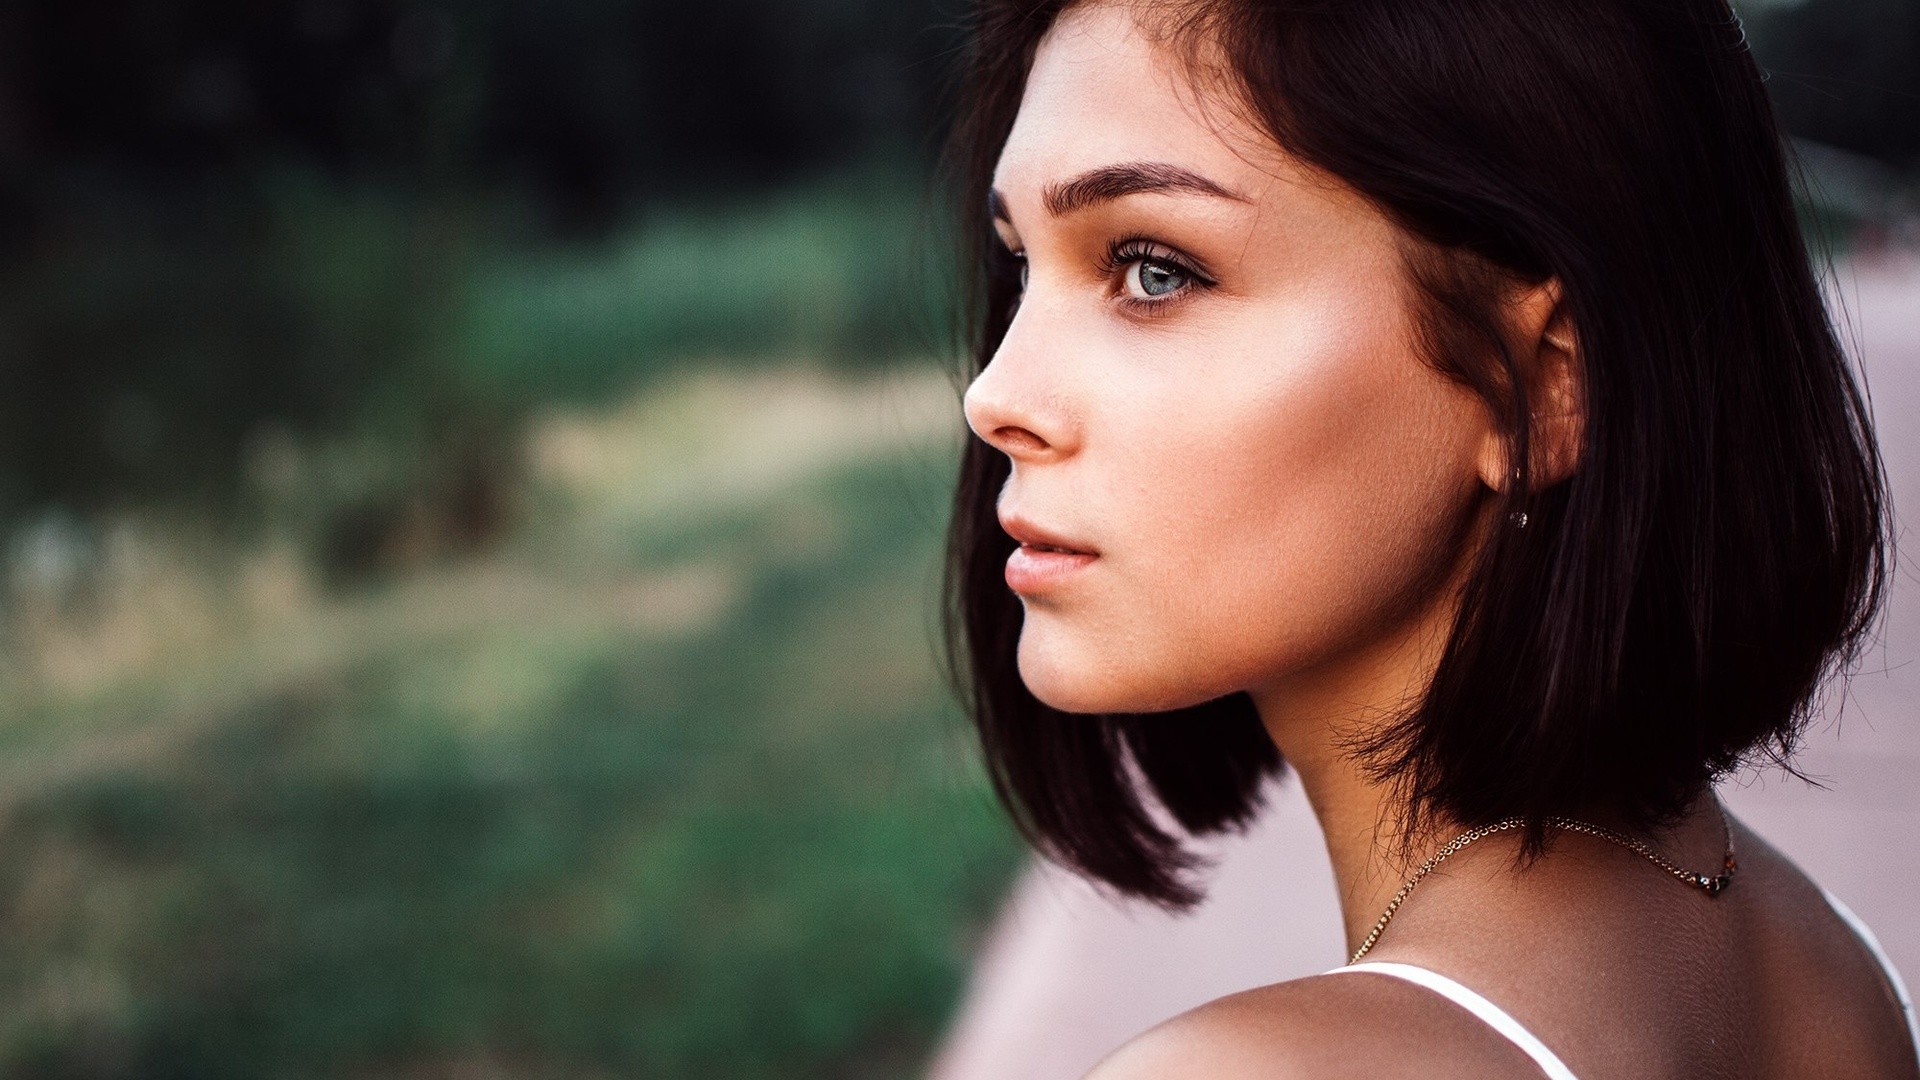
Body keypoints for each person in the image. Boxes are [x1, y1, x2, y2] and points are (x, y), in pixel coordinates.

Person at [942, 0, 1915, 1076]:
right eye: (1020, 264)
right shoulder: (1834, 970)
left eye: (1153, 269)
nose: (996, 395)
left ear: (1547, 381)